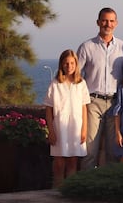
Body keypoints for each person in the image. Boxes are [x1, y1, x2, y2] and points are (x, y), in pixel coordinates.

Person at [77, 7, 123, 170]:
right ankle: (85, 187)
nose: (108, 24)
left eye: (111, 21)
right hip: (93, 102)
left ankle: (109, 188)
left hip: (115, 104)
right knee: (89, 149)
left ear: (116, 23)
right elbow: (76, 75)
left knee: (114, 150)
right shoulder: (87, 46)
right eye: (105, 20)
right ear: (98, 22)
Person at [43, 49, 90, 188]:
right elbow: (48, 109)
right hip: (59, 127)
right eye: (66, 63)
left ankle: (70, 189)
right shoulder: (55, 84)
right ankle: (57, 190)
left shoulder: (81, 84)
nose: (69, 66)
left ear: (76, 64)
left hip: (76, 128)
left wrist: (84, 130)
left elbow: (84, 108)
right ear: (61, 65)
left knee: (73, 161)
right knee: (58, 162)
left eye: (71, 63)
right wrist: (51, 131)